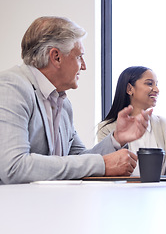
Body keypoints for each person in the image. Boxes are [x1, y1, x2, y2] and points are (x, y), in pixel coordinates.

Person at [0, 16, 152, 184]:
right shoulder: (12, 86)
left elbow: (80, 158)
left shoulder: (63, 103)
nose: (84, 66)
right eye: (80, 56)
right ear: (56, 57)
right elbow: (13, 167)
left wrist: (117, 138)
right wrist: (101, 164)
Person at [97, 66, 166, 175]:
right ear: (129, 89)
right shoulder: (106, 129)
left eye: (156, 84)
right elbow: (106, 172)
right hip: (121, 192)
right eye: (150, 84)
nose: (156, 89)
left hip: (160, 192)